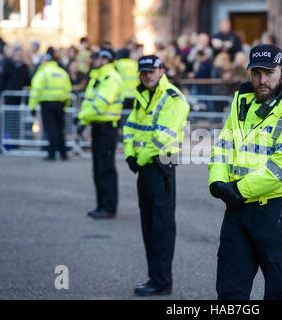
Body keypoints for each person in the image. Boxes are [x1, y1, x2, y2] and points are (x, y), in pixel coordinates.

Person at [208, 44, 282, 300]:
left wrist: (236, 189)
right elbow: (223, 145)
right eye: (256, 73)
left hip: (277, 213)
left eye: (268, 72)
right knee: (229, 292)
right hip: (237, 210)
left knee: (280, 294)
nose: (262, 80)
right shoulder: (240, 103)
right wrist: (216, 180)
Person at [123, 55, 189, 296]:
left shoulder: (173, 98)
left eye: (152, 71)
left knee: (161, 226)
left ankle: (162, 281)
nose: (147, 75)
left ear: (162, 70)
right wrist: (129, 154)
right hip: (144, 166)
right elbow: (130, 126)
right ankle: (154, 277)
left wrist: (138, 159)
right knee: (148, 224)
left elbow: (163, 136)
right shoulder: (142, 95)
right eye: (144, 72)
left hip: (160, 164)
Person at [75, 49, 123, 220]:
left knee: (105, 169)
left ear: (106, 60)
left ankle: (108, 207)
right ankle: (102, 205)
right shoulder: (99, 77)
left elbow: (100, 105)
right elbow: (90, 103)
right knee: (98, 169)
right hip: (98, 126)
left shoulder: (110, 78)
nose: (95, 60)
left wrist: (81, 118)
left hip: (107, 128)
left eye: (99, 58)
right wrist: (85, 120)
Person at [29, 53, 72, 161]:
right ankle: (63, 154)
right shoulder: (62, 72)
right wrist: (65, 105)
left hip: (47, 104)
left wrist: (32, 106)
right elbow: (68, 90)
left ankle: (51, 154)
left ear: (45, 61)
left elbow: (35, 90)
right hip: (60, 104)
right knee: (60, 129)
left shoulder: (42, 72)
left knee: (51, 129)